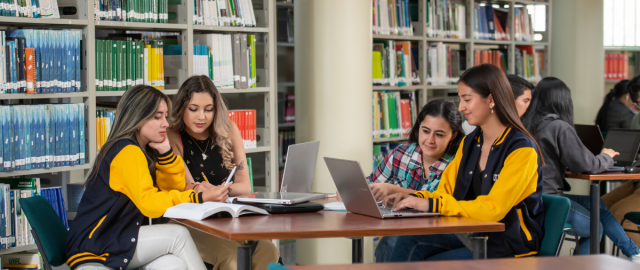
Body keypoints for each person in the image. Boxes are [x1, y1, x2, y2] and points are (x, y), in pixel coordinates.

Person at [384, 64, 545, 261]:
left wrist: (432, 205)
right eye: (460, 100)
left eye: (467, 100)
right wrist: (411, 199)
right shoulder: (470, 142)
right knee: (406, 240)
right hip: (471, 233)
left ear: (491, 100)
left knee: (432, 264)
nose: (461, 108)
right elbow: (444, 191)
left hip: (507, 245)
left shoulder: (522, 149)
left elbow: (493, 209)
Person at [66, 85, 222, 270]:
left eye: (165, 116)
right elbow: (149, 204)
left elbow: (172, 191)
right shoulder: (127, 151)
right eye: (157, 117)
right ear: (137, 118)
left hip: (118, 240)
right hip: (97, 246)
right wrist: (199, 197)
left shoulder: (143, 150)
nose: (165, 123)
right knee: (178, 235)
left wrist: (165, 153)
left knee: (174, 264)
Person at [521, 77, 640, 262]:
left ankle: (633, 252)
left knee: (597, 205)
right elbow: (588, 165)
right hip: (551, 201)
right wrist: (607, 156)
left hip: (533, 199)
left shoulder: (526, 125)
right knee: (596, 227)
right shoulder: (558, 126)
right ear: (563, 100)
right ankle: (585, 266)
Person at [166, 75, 279, 270]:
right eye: (194, 109)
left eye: (208, 110)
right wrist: (205, 191)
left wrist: (216, 192)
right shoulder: (173, 136)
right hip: (191, 221)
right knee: (231, 258)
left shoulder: (229, 129)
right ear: (182, 107)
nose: (202, 117)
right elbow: (187, 188)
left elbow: (245, 186)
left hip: (227, 217)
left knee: (269, 251)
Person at [370, 99, 464, 262]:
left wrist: (392, 189)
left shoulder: (457, 163)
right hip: (403, 230)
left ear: (453, 135)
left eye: (439, 134)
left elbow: (434, 197)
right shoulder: (401, 153)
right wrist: (355, 189)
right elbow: (374, 182)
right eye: (425, 131)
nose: (430, 140)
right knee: (388, 242)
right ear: (418, 127)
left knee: (392, 242)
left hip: (442, 232)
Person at [462, 74, 533, 134]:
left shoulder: (519, 128)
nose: (530, 105)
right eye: (526, 101)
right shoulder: (472, 129)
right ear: (509, 100)